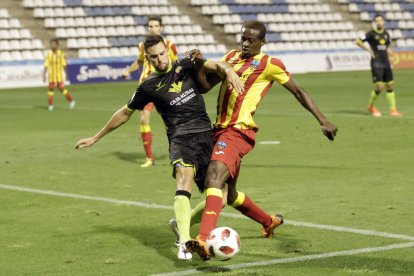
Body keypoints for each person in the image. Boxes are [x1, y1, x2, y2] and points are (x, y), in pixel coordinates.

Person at [74, 35, 243, 261]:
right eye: (154, 57)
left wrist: (228, 70)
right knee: (185, 180)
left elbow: (216, 65)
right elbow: (125, 113)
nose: (160, 59)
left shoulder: (187, 64)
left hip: (205, 133)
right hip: (180, 136)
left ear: (167, 50)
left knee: (221, 196)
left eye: (162, 53)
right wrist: (96, 137)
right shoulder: (148, 86)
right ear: (148, 58)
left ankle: (180, 223)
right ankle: (184, 241)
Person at [184, 20, 338, 260]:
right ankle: (269, 221)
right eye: (243, 38)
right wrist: (198, 64)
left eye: (251, 40)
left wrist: (323, 120)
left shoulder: (270, 64)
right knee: (230, 193)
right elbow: (205, 87)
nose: (245, 43)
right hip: (219, 129)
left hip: (238, 131)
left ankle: (203, 240)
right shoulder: (231, 57)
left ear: (262, 42)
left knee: (214, 177)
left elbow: (298, 91)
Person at [122, 15, 178, 167]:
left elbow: (176, 65)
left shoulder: (169, 45)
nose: (153, 29)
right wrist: (128, 70)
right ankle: (149, 158)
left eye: (156, 26)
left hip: (163, 89)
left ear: (161, 27)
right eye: (150, 26)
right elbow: (139, 61)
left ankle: (176, 154)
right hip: (146, 88)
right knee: (144, 118)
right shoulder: (142, 46)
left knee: (170, 122)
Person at [356, 14, 402, 117]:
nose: (379, 22)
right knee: (380, 86)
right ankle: (371, 106)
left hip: (386, 62)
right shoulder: (371, 34)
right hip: (376, 62)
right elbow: (358, 41)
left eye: (381, 20)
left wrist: (392, 55)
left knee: (390, 85)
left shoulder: (386, 34)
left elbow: (387, 47)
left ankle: (393, 110)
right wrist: (369, 50)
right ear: (375, 23)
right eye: (377, 21)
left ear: (383, 22)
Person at [43, 38, 75, 111]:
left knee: (61, 89)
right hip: (51, 76)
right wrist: (44, 75)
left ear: (57, 45)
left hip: (59, 76)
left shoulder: (61, 54)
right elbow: (46, 65)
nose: (52, 45)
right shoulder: (49, 54)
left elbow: (64, 65)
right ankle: (50, 105)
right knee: (50, 89)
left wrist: (66, 75)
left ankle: (71, 101)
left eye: (54, 44)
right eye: (51, 44)